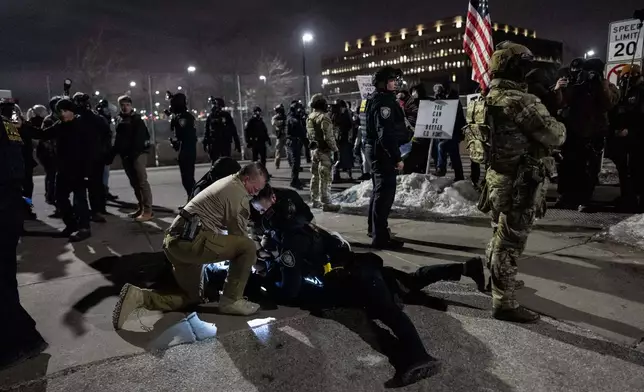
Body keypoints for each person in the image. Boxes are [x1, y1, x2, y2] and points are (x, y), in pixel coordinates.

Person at [248, 185, 486, 387]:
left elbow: (290, 290)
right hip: (358, 267)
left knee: (388, 310)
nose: (259, 218)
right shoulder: (301, 224)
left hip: (357, 278)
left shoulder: (288, 240)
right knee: (408, 282)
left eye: (261, 211)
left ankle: (419, 357)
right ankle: (466, 268)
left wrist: (265, 277)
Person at [471, 41, 566, 323]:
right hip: (519, 183)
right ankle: (505, 302)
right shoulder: (519, 100)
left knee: (499, 235)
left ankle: (498, 282)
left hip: (497, 179)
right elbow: (555, 136)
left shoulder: (483, 98)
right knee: (509, 243)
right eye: (523, 66)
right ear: (513, 68)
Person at [112, 163, 269, 329]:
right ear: (246, 179)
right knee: (248, 247)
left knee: (191, 296)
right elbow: (240, 238)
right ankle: (232, 300)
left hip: (175, 243)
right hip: (192, 241)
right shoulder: (238, 194)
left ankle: (139, 297)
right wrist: (257, 257)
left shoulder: (228, 183)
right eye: (255, 188)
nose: (255, 193)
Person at [0, 101, 48, 370]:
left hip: (4, 207)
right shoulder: (8, 126)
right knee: (5, 278)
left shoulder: (5, 126)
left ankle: (20, 341)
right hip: (9, 207)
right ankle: (22, 337)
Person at [556, 58, 619, 212]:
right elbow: (562, 103)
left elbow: (609, 103)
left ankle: (585, 199)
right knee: (570, 166)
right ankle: (568, 197)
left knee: (590, 168)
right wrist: (560, 88)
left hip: (594, 134)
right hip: (574, 133)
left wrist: (599, 84)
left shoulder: (607, 86)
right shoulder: (578, 85)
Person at [365, 67, 410, 249]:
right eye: (391, 80)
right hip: (382, 153)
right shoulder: (384, 102)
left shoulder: (378, 99)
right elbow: (386, 135)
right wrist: (397, 158)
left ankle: (376, 230)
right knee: (384, 195)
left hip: (376, 150)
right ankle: (380, 238)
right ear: (383, 83)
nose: (395, 83)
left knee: (378, 193)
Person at [37, 98, 94, 241]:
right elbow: (43, 134)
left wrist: (87, 172)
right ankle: (71, 224)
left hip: (79, 169)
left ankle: (84, 228)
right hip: (63, 169)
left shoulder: (82, 126)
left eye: (64, 111)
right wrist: (21, 127)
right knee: (60, 198)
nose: (62, 114)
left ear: (72, 111)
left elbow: (90, 150)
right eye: (60, 111)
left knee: (80, 200)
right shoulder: (60, 125)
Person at [110, 95, 154, 222]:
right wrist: (113, 153)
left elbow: (140, 138)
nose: (125, 107)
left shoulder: (137, 119)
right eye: (122, 105)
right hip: (126, 155)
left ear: (131, 105)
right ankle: (141, 208)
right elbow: (118, 139)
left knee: (142, 182)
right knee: (134, 184)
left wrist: (134, 153)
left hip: (137, 154)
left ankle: (148, 211)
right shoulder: (119, 119)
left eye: (127, 104)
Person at [608, 63, 644, 212]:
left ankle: (637, 200)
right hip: (623, 139)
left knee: (637, 169)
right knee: (624, 170)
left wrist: (630, 130)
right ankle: (626, 196)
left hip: (637, 138)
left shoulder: (641, 92)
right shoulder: (625, 91)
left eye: (626, 77)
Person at [72, 92, 112, 223]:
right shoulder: (91, 118)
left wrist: (105, 152)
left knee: (92, 187)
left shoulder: (92, 119)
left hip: (90, 157)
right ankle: (94, 211)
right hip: (87, 158)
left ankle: (94, 211)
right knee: (91, 187)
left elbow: (107, 135)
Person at [307, 94, 340, 211]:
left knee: (315, 176)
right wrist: (335, 150)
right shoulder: (324, 117)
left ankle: (315, 200)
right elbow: (328, 137)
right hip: (324, 151)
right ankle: (326, 203)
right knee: (325, 177)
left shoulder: (310, 116)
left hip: (314, 151)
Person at [433, 84, 465, 181]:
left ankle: (441, 168)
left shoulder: (454, 101)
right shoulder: (447, 99)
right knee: (454, 154)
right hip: (448, 132)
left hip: (454, 132)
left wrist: (440, 99)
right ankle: (459, 176)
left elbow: (450, 112)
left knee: (442, 146)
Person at [168, 92, 197, 199]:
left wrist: (177, 141)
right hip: (184, 149)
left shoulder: (184, 117)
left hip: (187, 149)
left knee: (188, 178)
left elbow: (185, 134)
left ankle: (195, 200)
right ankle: (192, 199)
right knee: (186, 178)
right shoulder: (181, 116)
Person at [23, 105, 48, 219]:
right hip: (22, 162)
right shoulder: (23, 126)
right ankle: (26, 209)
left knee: (25, 188)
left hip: (19, 162)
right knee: (26, 188)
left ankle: (25, 208)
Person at [204, 97, 241, 162]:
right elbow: (207, 131)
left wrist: (237, 141)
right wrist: (205, 142)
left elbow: (232, 129)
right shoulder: (211, 116)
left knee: (226, 161)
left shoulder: (226, 116)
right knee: (215, 162)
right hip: (215, 142)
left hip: (224, 142)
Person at [96, 99, 119, 202]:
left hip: (104, 149)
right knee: (103, 173)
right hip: (102, 150)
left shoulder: (103, 118)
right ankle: (103, 192)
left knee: (104, 173)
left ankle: (103, 191)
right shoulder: (101, 119)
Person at [331, 99, 355, 183]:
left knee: (336, 158)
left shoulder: (333, 114)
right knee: (345, 158)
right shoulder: (344, 114)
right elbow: (350, 125)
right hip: (343, 139)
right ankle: (346, 175)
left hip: (337, 139)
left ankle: (335, 175)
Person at [286, 101, 306, 189]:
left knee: (297, 163)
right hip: (293, 142)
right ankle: (294, 181)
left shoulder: (296, 117)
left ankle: (296, 179)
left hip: (296, 142)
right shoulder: (292, 118)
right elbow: (298, 129)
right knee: (295, 162)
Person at [271, 104, 287, 169]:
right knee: (278, 151)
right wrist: (282, 122)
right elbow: (274, 123)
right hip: (279, 136)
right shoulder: (275, 117)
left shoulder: (285, 116)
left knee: (289, 151)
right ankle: (277, 164)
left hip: (286, 135)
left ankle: (292, 163)